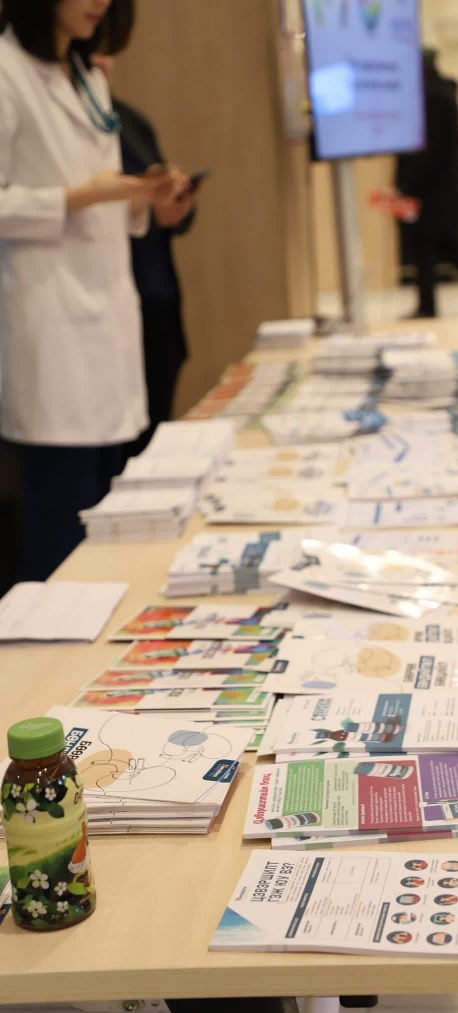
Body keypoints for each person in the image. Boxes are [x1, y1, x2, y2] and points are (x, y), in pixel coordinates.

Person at [0, 0, 187, 581]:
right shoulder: (6, 71)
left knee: (111, 530)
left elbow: (103, 204)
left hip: (108, 323)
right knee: (64, 537)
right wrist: (80, 198)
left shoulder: (86, 78)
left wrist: (143, 198)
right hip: (51, 328)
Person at [94, 57, 199, 452]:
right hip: (109, 308)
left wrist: (175, 206)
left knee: (154, 440)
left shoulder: (130, 120)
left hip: (158, 304)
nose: (102, 62)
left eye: (107, 51)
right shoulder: (73, 125)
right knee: (117, 453)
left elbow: (156, 194)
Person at [396, 50, 458, 318]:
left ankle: (429, 305)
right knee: (441, 246)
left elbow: (429, 150)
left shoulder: (432, 97)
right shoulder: (440, 94)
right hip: (439, 185)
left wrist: (408, 182)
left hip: (433, 187)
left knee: (428, 246)